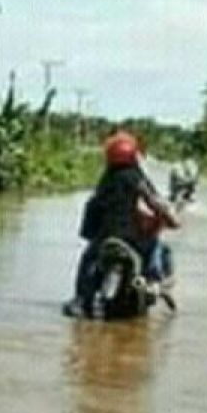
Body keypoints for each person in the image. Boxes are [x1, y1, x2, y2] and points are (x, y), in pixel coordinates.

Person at [64, 131, 181, 317]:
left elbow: (93, 207)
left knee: (88, 258)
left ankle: (81, 299)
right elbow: (154, 201)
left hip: (105, 238)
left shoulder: (106, 179)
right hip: (132, 238)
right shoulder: (137, 177)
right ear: (134, 155)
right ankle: (155, 282)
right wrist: (171, 219)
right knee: (159, 248)